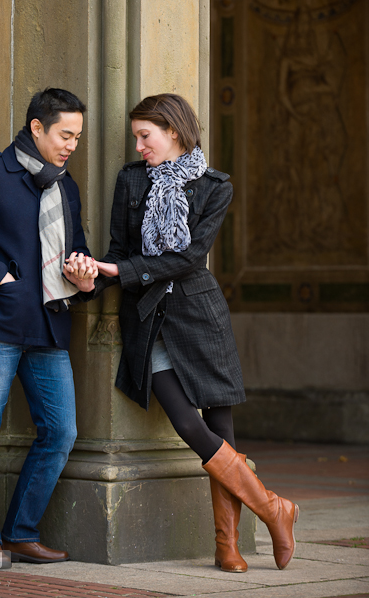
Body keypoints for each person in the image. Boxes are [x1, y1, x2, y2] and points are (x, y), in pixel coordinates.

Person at [66, 94, 299, 572]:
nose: (138, 145)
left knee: (222, 430)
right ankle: (274, 508)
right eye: (135, 136)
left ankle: (226, 546)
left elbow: (190, 257)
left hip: (201, 314)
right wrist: (91, 280)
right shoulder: (130, 180)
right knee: (187, 424)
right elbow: (117, 250)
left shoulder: (216, 187)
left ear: (173, 131)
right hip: (148, 316)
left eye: (144, 135)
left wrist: (118, 268)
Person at [0, 88, 97, 568]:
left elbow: (78, 251)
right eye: (65, 134)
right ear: (36, 128)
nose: (71, 145)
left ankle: (21, 532)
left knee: (61, 432)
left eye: (77, 137)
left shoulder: (66, 187)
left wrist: (84, 278)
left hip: (50, 327)